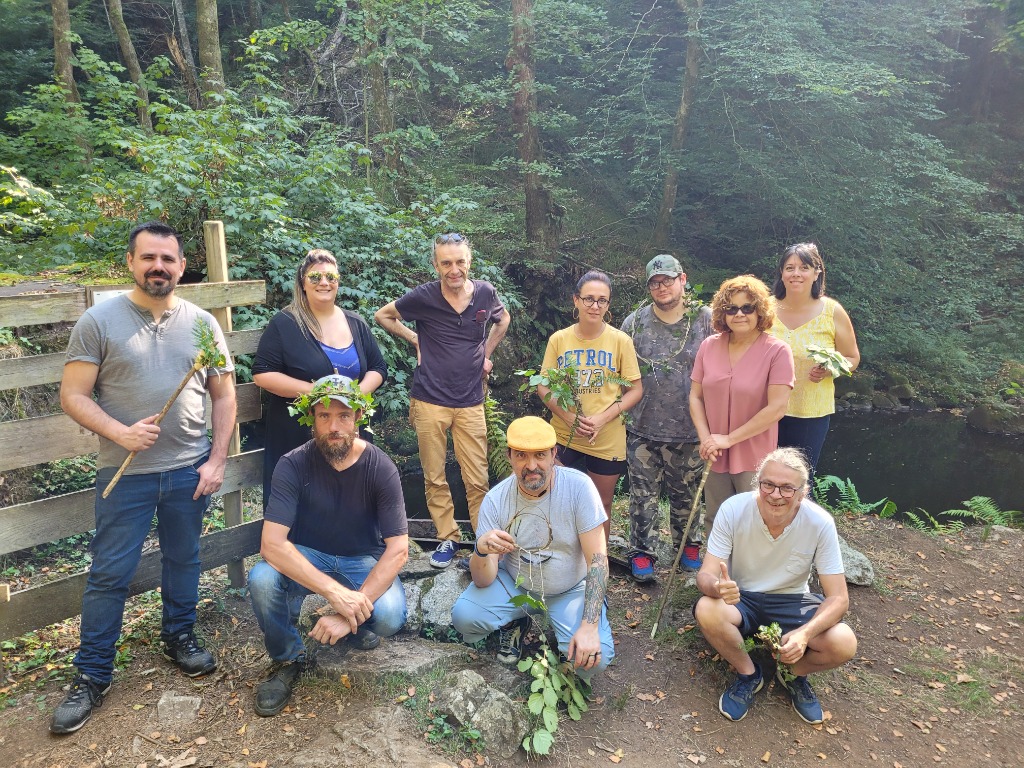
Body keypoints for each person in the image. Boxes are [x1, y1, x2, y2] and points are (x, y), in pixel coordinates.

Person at [51, 221, 237, 735]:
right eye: (149, 258)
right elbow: (73, 395)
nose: (159, 267)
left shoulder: (203, 324)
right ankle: (92, 674)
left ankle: (180, 637)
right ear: (131, 262)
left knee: (185, 558)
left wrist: (217, 459)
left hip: (187, 471)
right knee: (110, 573)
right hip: (124, 475)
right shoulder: (99, 320)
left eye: (169, 259)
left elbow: (224, 396)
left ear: (181, 266)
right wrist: (120, 432)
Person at [247, 375, 408, 717]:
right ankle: (288, 658)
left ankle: (351, 623)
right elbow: (272, 544)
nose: (334, 426)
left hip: (362, 559)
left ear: (358, 419)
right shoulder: (292, 464)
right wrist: (335, 594)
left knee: (391, 615)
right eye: (324, 416)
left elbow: (399, 549)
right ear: (311, 420)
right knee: (262, 580)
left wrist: (342, 611)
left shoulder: (380, 467)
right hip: (310, 554)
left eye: (343, 416)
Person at [375, 233, 510, 568]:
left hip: (470, 399)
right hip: (430, 399)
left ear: (469, 262)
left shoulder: (484, 293)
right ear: (435, 264)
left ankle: (482, 542)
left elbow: (503, 320)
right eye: (446, 263)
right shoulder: (423, 297)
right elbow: (383, 316)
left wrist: (485, 355)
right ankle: (447, 538)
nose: (454, 269)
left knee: (477, 476)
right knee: (434, 475)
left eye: (460, 261)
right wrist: (416, 339)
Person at [693, 448, 857, 724]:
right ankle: (749, 673)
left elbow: (839, 598)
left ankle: (793, 672)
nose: (775, 494)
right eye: (768, 484)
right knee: (707, 609)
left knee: (844, 642)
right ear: (758, 482)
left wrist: (805, 634)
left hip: (792, 601)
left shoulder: (820, 522)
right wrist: (718, 588)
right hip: (742, 598)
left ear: (803, 492)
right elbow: (705, 575)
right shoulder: (734, 509)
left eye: (786, 488)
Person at [450, 417, 614, 676]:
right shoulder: (495, 500)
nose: (531, 466)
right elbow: (483, 580)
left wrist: (589, 625)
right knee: (464, 617)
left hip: (569, 588)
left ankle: (570, 634)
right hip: (517, 584)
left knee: (594, 661)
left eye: (540, 455)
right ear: (510, 456)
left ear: (553, 454)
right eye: (521, 456)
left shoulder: (579, 488)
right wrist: (481, 550)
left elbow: (598, 560)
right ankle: (516, 620)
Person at [253, 249, 387, 509]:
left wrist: (355, 396)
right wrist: (315, 391)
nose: (324, 283)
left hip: (350, 432)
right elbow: (262, 373)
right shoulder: (285, 323)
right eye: (315, 277)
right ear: (302, 282)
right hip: (299, 435)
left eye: (330, 276)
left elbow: (378, 367)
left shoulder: (356, 322)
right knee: (305, 504)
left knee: (351, 500)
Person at [621, 255, 713, 581]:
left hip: (690, 428)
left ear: (682, 279)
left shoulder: (706, 320)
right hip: (642, 427)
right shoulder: (633, 323)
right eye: (655, 282)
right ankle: (642, 553)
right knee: (641, 496)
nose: (661, 287)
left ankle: (689, 547)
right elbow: (618, 373)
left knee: (687, 495)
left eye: (667, 280)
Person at [536, 270, 643, 540]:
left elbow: (635, 390)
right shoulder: (559, 340)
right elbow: (543, 385)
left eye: (602, 301)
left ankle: (598, 567)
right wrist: (568, 416)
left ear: (608, 305)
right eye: (589, 299)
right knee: (556, 500)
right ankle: (559, 560)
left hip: (606, 438)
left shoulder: (620, 341)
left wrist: (603, 418)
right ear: (576, 300)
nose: (595, 306)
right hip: (564, 434)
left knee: (600, 505)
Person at [689, 275, 794, 537]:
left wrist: (729, 439)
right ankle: (716, 573)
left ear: (760, 311)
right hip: (714, 452)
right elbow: (695, 397)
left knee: (754, 520)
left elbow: (777, 408)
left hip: (753, 455)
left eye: (747, 307)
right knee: (716, 515)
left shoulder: (778, 351)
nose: (739, 314)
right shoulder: (708, 346)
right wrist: (707, 439)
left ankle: (750, 576)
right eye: (731, 308)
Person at [767, 243, 860, 490]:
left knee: (797, 482)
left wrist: (831, 369)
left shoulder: (832, 311)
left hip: (810, 412)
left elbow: (851, 357)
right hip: (763, 410)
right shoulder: (764, 309)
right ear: (781, 273)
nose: (796, 273)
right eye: (790, 267)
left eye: (804, 267)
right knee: (764, 478)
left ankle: (802, 527)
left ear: (817, 273)